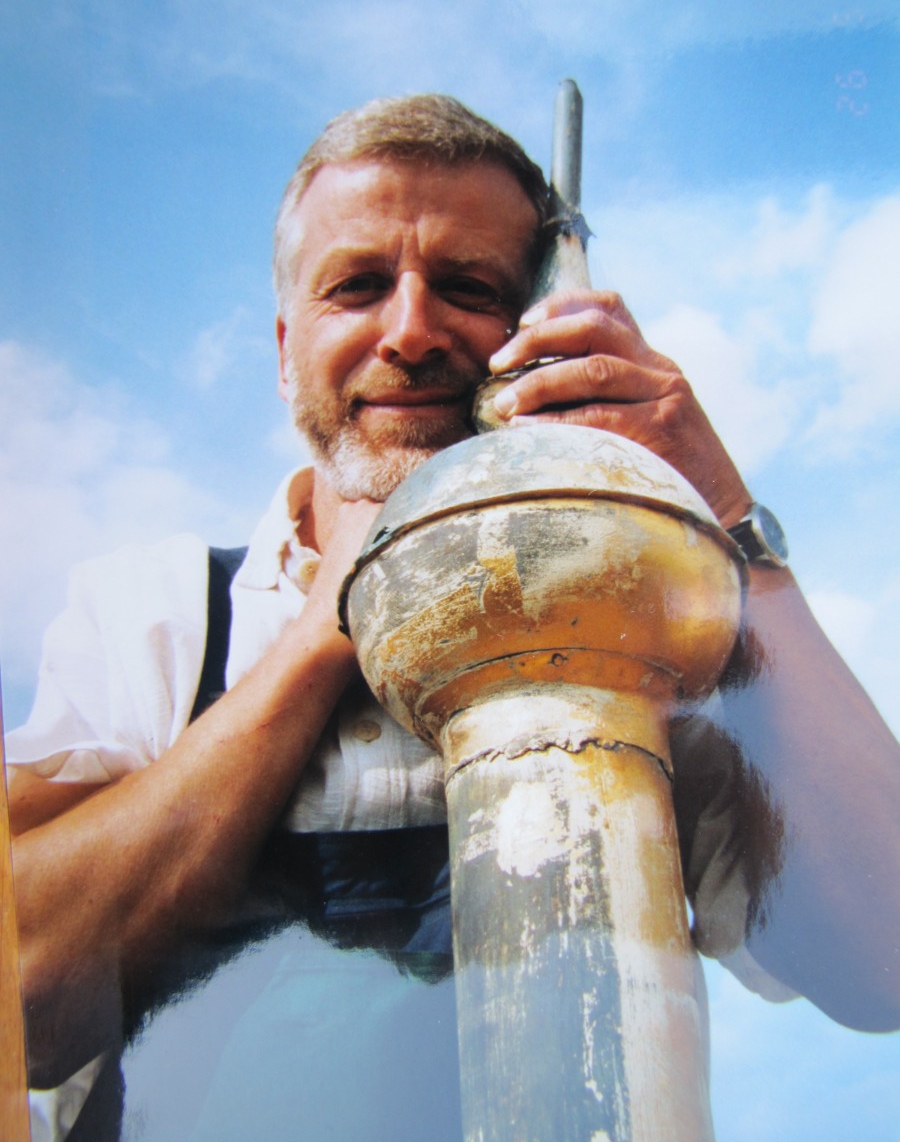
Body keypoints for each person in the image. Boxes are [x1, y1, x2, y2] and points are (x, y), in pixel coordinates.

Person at [6, 95, 900, 1140]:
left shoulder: (635, 621)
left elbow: (882, 962)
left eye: (469, 288)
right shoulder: (154, 615)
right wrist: (337, 622)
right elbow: (26, 998)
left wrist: (732, 527)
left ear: (540, 333)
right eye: (358, 286)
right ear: (286, 349)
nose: (411, 332)